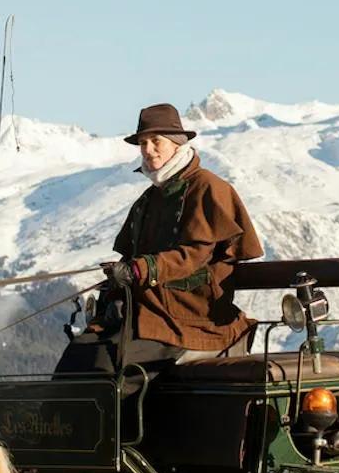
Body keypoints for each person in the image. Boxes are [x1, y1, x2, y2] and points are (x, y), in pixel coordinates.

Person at [55, 103, 264, 375]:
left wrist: (141, 269)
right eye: (143, 143)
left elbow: (194, 256)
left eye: (155, 141)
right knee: (78, 354)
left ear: (177, 144)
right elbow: (132, 256)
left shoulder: (209, 189)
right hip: (151, 310)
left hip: (192, 315)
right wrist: (121, 273)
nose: (148, 149)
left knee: (108, 367)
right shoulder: (149, 199)